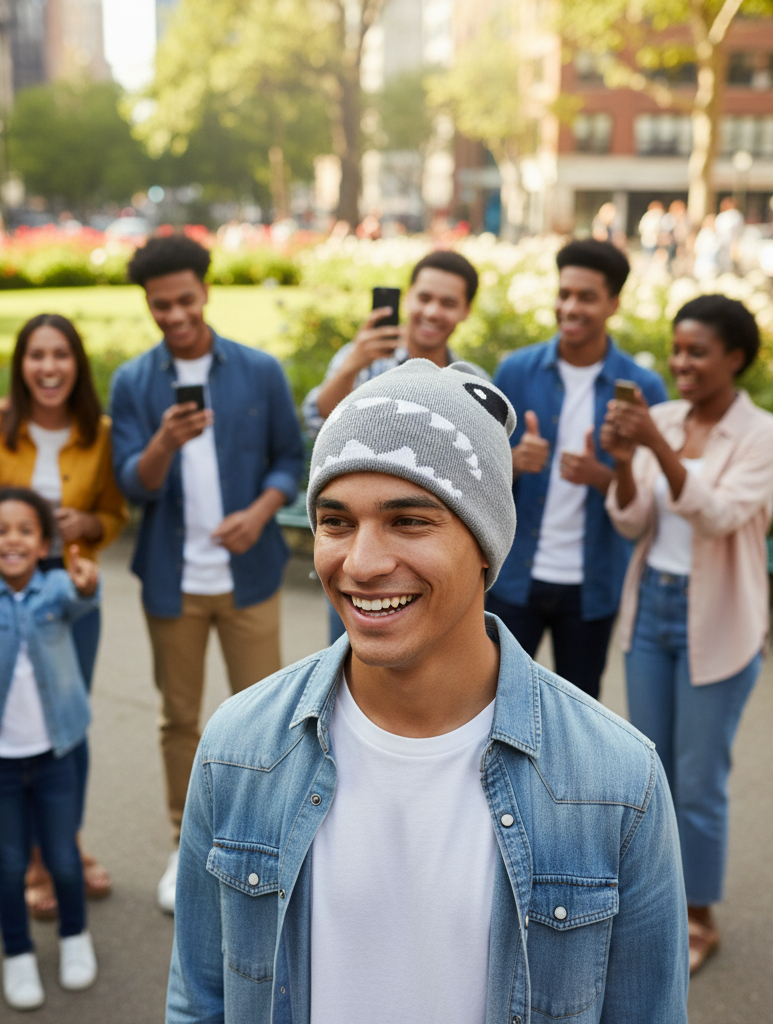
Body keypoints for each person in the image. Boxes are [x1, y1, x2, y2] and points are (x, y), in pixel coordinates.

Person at [167, 358, 689, 1024]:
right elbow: (199, 1000)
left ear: (485, 543)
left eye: (409, 521)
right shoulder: (238, 747)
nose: (360, 563)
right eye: (335, 521)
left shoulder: (617, 780)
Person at [109, 234, 304, 914]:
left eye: (185, 300)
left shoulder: (258, 371)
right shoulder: (134, 382)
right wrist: (164, 440)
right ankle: (183, 846)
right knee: (181, 721)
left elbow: (290, 457)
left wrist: (260, 510)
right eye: (161, 305)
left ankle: (265, 840)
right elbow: (135, 485)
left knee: (267, 720)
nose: (175, 316)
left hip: (249, 575)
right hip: (172, 582)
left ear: (205, 291)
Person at [601, 294, 773, 975]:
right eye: (676, 349)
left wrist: (652, 446)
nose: (681, 363)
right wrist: (623, 458)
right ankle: (654, 902)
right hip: (652, 609)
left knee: (700, 779)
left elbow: (717, 517)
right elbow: (629, 521)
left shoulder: (765, 435)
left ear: (735, 358)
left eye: (697, 351)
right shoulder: (665, 420)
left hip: (722, 620)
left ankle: (699, 915)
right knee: (651, 772)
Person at [0, 312, 128, 918]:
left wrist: (90, 526)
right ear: (20, 363)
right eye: (37, 355)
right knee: (12, 719)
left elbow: (115, 512)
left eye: (61, 355)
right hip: (3, 602)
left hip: (71, 596)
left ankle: (66, 843)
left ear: (77, 364)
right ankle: (32, 857)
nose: (49, 368)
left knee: (66, 724)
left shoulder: (98, 433)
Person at [486, 239, 667, 699]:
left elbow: (650, 498)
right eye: (564, 293)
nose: (570, 306)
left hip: (593, 587)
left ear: (613, 304)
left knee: (578, 713)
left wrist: (601, 476)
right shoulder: (515, 371)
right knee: (490, 699)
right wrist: (512, 463)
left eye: (586, 297)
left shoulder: (643, 388)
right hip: (513, 576)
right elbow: (477, 476)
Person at [0, 488, 100, 1010]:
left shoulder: (55, 587)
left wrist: (88, 583)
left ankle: (75, 936)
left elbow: (82, 598)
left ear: (43, 543)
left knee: (63, 855)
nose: (13, 539)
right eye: (1, 530)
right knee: (9, 861)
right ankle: (17, 953)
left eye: (26, 531)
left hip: (55, 753)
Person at [302, 249, 486, 642]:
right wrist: (353, 363)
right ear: (409, 298)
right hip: (364, 519)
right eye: (425, 297)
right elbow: (316, 420)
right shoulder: (365, 359)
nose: (433, 311)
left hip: (425, 542)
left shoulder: (470, 382)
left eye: (448, 303)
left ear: (465, 311)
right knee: (348, 640)